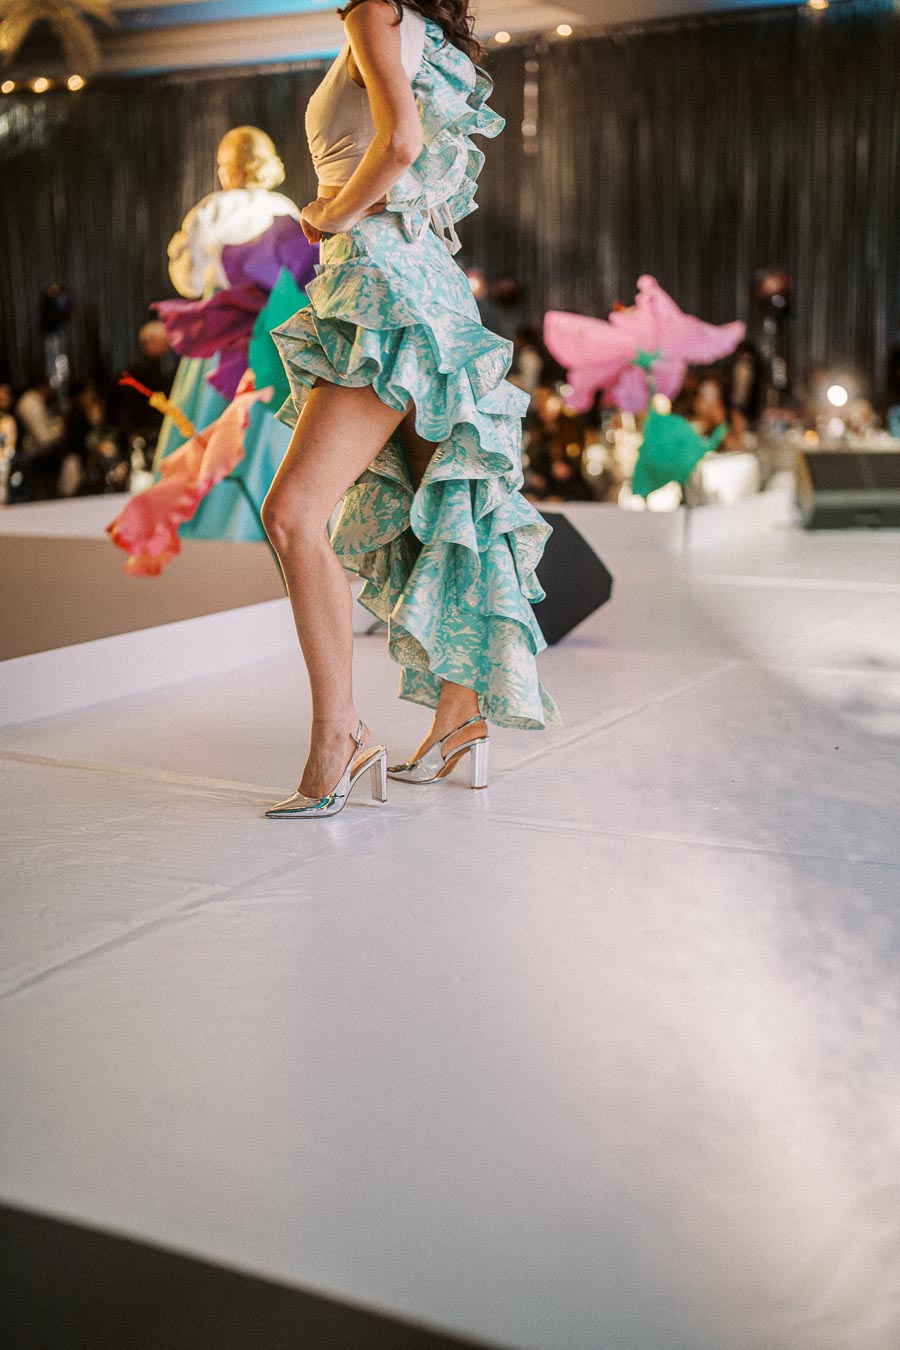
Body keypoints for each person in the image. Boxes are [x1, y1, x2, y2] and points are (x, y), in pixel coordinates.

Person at [261, 0, 558, 819]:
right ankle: (460, 723)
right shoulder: (431, 34)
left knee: (293, 514)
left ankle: (338, 739)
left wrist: (329, 213)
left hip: (385, 286)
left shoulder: (373, 10)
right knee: (446, 513)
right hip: (426, 287)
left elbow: (401, 143)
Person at [152, 125, 306, 539]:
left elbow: (188, 279)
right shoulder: (286, 209)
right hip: (273, 339)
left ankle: (199, 519)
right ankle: (266, 516)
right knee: (268, 422)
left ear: (230, 167)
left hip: (222, 335)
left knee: (207, 420)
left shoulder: (213, 209)